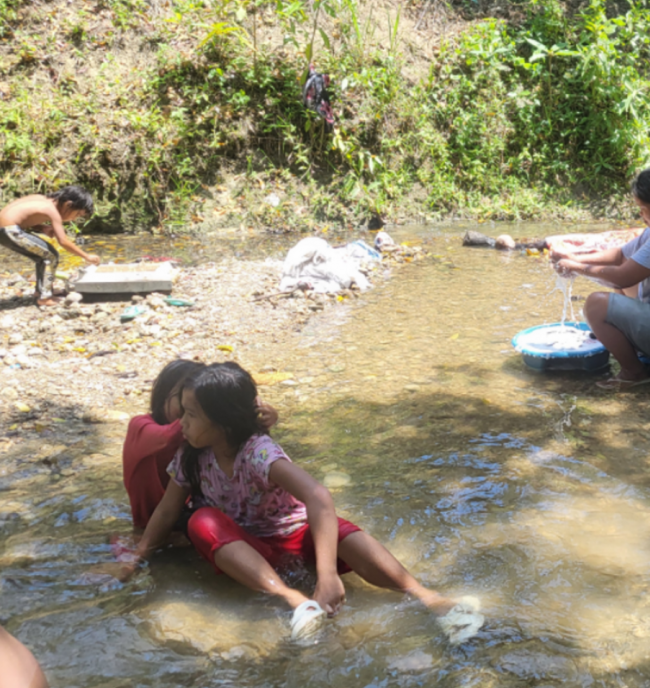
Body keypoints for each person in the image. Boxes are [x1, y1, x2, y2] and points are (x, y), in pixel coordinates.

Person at [116, 362, 482, 643]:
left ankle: (428, 597)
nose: (181, 423)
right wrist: (137, 556)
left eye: (191, 415)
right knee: (202, 520)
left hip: (295, 539)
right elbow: (167, 510)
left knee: (338, 529)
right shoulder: (191, 457)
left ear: (223, 423)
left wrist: (327, 576)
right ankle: (295, 602)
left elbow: (318, 496)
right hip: (250, 553)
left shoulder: (258, 452)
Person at [551, 166, 650, 390]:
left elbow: (622, 277)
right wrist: (574, 255)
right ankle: (635, 355)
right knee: (622, 288)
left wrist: (576, 267)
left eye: (642, 208)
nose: (641, 214)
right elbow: (620, 255)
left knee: (596, 305)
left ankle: (633, 372)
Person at [122, 359, 278, 530]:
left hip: (189, 510)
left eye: (197, 405)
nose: (185, 415)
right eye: (185, 401)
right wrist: (230, 413)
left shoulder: (200, 439)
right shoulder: (140, 426)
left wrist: (253, 415)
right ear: (163, 394)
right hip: (154, 520)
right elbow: (168, 438)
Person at [0, 186, 100, 307]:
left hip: (5, 229)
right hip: (10, 231)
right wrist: (86, 256)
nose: (74, 219)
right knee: (51, 256)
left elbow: (22, 218)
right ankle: (44, 297)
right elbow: (63, 241)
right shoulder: (51, 210)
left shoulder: (41, 199)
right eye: (77, 214)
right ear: (68, 204)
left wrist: (42, 227)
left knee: (43, 256)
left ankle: (40, 292)